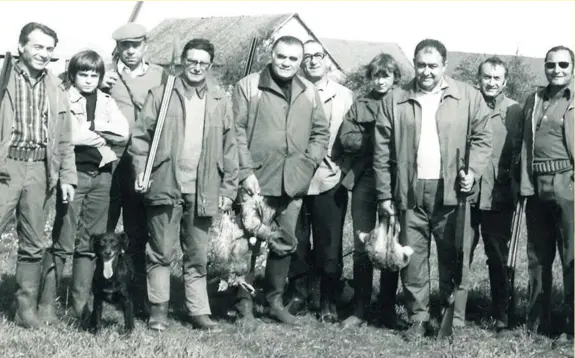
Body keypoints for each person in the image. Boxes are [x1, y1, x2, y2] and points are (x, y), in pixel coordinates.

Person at [373, 39, 492, 340]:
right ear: (414, 64)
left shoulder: (468, 96)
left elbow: (482, 138)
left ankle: (452, 317)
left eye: (432, 65)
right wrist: (385, 194)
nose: (426, 71)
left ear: (444, 66)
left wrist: (473, 172)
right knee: (413, 257)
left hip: (450, 191)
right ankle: (418, 317)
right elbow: (382, 151)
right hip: (409, 191)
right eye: (421, 65)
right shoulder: (395, 98)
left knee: (453, 256)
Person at [129, 38, 238, 332]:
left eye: (203, 63)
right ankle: (159, 311)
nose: (197, 67)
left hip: (203, 188)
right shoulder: (161, 94)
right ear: (183, 62)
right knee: (161, 252)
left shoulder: (219, 99)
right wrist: (142, 169)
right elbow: (140, 139)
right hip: (165, 183)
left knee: (197, 255)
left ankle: (199, 311)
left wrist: (228, 188)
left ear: (210, 65)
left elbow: (231, 147)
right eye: (192, 61)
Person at [232, 35, 330, 325]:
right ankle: (244, 305)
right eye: (281, 57)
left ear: (300, 62)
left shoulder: (309, 91)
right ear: (271, 55)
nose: (287, 63)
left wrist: (309, 162)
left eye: (293, 59)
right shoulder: (248, 86)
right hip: (256, 180)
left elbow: (320, 132)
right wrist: (245, 171)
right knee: (248, 244)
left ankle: (273, 301)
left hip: (293, 182)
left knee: (285, 242)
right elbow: (235, 132)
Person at [37, 50, 129, 324]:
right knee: (63, 240)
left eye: (94, 75)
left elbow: (123, 132)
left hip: (102, 175)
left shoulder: (106, 100)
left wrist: (90, 125)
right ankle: (46, 306)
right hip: (73, 174)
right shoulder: (63, 97)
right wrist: (100, 135)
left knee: (92, 243)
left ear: (100, 77)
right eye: (83, 74)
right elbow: (69, 134)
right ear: (73, 75)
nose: (89, 80)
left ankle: (80, 305)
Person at [0, 22, 76, 329]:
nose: (44, 54)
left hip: (40, 171)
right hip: (5, 169)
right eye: (37, 46)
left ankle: (25, 311)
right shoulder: (3, 78)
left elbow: (65, 138)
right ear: (21, 47)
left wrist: (68, 176)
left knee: (33, 243)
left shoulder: (56, 87)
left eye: (49, 48)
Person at [100, 23, 168, 316]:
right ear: (118, 47)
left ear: (145, 46)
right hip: (111, 162)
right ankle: (98, 291)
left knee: (137, 233)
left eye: (135, 45)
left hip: (143, 162)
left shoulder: (160, 75)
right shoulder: (105, 73)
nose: (130, 51)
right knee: (103, 228)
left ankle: (136, 296)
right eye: (125, 46)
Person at [332, 53, 403, 329]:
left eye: (387, 75)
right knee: (362, 242)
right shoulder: (360, 104)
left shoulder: (404, 102)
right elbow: (347, 138)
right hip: (365, 179)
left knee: (390, 243)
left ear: (395, 77)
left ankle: (387, 308)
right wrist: (379, 136)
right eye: (376, 75)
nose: (381, 80)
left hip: (395, 180)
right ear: (370, 77)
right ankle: (360, 308)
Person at [284, 39, 353, 322]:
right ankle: (299, 293)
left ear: (327, 60)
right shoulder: (291, 91)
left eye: (318, 55)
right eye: (307, 56)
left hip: (329, 178)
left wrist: (344, 170)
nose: (312, 61)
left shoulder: (345, 95)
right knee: (297, 241)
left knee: (329, 243)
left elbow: (356, 136)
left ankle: (328, 300)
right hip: (296, 179)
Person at [519, 45, 574, 341]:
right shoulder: (534, 99)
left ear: (573, 67)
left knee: (571, 257)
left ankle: (572, 327)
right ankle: (539, 323)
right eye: (551, 65)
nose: (557, 70)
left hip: (568, 184)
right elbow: (527, 143)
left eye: (563, 64)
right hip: (536, 184)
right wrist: (525, 182)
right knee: (538, 257)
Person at [466, 57, 523, 331]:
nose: (491, 82)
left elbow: (520, 153)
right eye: (486, 76)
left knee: (498, 257)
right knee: (460, 251)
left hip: (499, 196)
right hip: (466, 193)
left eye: (496, 78)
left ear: (505, 82)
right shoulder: (466, 104)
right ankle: (454, 308)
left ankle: (502, 312)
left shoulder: (515, 111)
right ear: (479, 78)